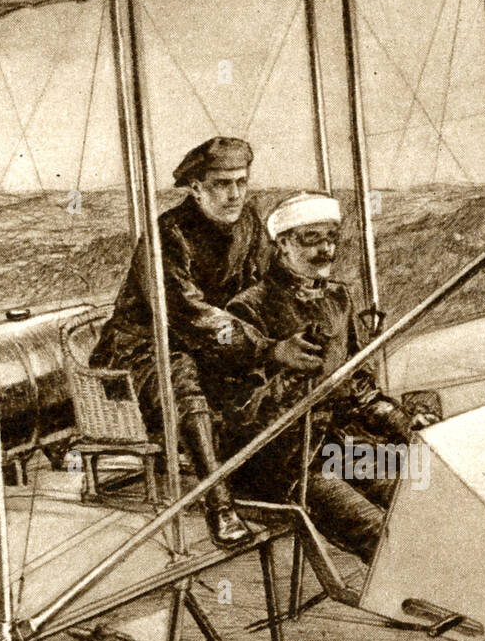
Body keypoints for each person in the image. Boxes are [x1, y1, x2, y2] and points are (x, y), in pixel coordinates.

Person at [89, 137, 323, 544]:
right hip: (143, 347)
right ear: (195, 188)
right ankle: (220, 506)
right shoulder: (167, 235)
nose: (233, 193)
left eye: (241, 182)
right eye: (221, 184)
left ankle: (287, 478)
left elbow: (269, 280)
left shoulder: (248, 222)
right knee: (183, 374)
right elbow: (190, 314)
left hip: (213, 340)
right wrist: (268, 348)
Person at [224, 192, 433, 563]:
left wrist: (405, 422)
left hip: (339, 447)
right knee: (379, 532)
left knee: (421, 494)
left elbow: (360, 388)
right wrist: (291, 377)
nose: (326, 249)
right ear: (283, 244)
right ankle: (413, 601)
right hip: (283, 463)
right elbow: (241, 412)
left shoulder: (339, 298)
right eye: (312, 239)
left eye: (331, 238)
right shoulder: (247, 307)